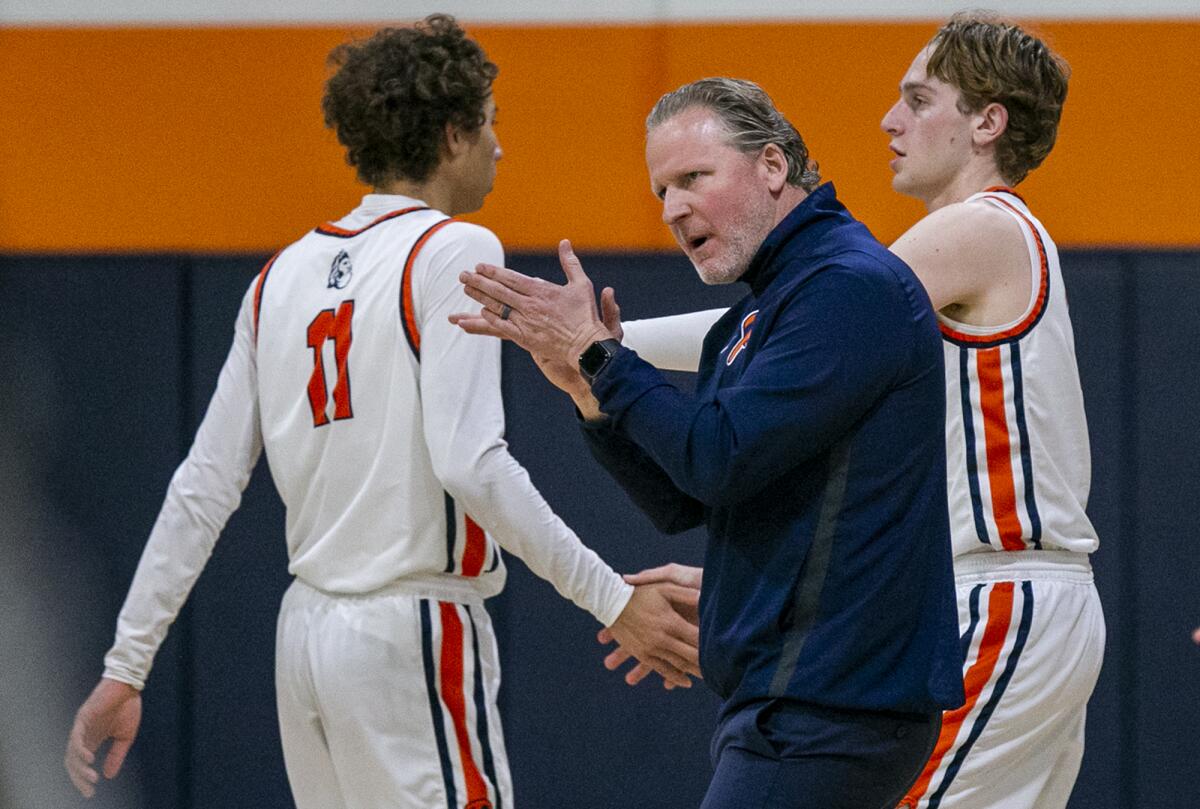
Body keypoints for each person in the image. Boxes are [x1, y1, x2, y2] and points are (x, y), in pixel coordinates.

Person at [63, 15, 700, 809]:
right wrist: (612, 596)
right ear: (451, 135)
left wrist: (127, 664)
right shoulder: (454, 249)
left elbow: (203, 485)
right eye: (492, 124)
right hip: (413, 635)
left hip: (304, 643)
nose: (501, 147)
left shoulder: (276, 281)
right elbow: (471, 462)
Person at [613, 14, 1106, 809]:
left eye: (918, 98)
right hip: (998, 593)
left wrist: (595, 343)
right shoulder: (977, 243)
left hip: (998, 594)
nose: (889, 119)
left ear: (987, 123)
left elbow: (775, 332)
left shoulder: (976, 229)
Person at [452, 77, 964, 809]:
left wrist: (603, 354)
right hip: (783, 703)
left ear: (773, 166)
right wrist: (585, 390)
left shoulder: (849, 286)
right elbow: (683, 497)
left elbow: (720, 456)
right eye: (663, 190)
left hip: (833, 706)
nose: (673, 208)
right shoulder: (754, 318)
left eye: (694, 177)